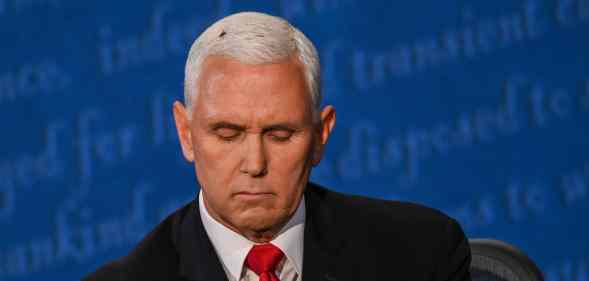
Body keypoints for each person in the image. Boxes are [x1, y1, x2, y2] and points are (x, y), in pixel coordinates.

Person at [83, 11, 471, 281]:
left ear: (321, 134)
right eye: (227, 133)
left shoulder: (421, 255)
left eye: (280, 134)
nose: (255, 163)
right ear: (186, 133)